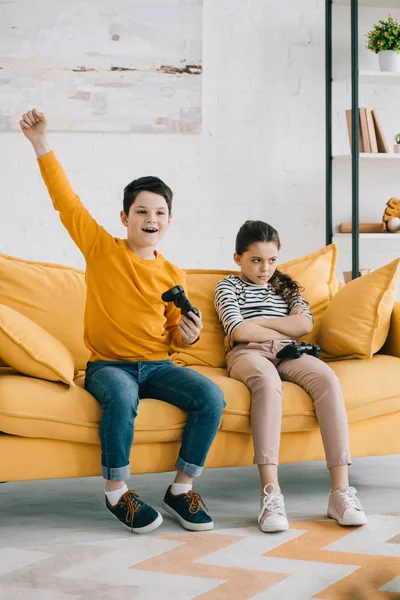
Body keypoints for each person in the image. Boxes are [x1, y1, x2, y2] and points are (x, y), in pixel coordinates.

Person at [20, 108, 225, 534]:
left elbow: (174, 338)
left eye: (159, 213)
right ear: (124, 218)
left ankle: (181, 489)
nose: (150, 219)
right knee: (120, 397)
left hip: (159, 365)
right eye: (141, 211)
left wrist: (187, 336)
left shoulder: (173, 275)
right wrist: (41, 143)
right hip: (108, 365)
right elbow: (65, 201)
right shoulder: (101, 249)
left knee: (211, 396)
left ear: (169, 220)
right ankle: (117, 491)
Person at [214, 220, 367, 533]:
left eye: (271, 260)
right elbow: (239, 330)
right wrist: (282, 322)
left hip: (289, 352)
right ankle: (271, 494)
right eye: (256, 260)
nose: (265, 268)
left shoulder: (288, 287)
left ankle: (340, 493)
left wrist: (262, 322)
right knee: (268, 384)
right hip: (248, 353)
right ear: (238, 258)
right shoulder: (227, 286)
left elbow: (304, 326)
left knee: (326, 379)